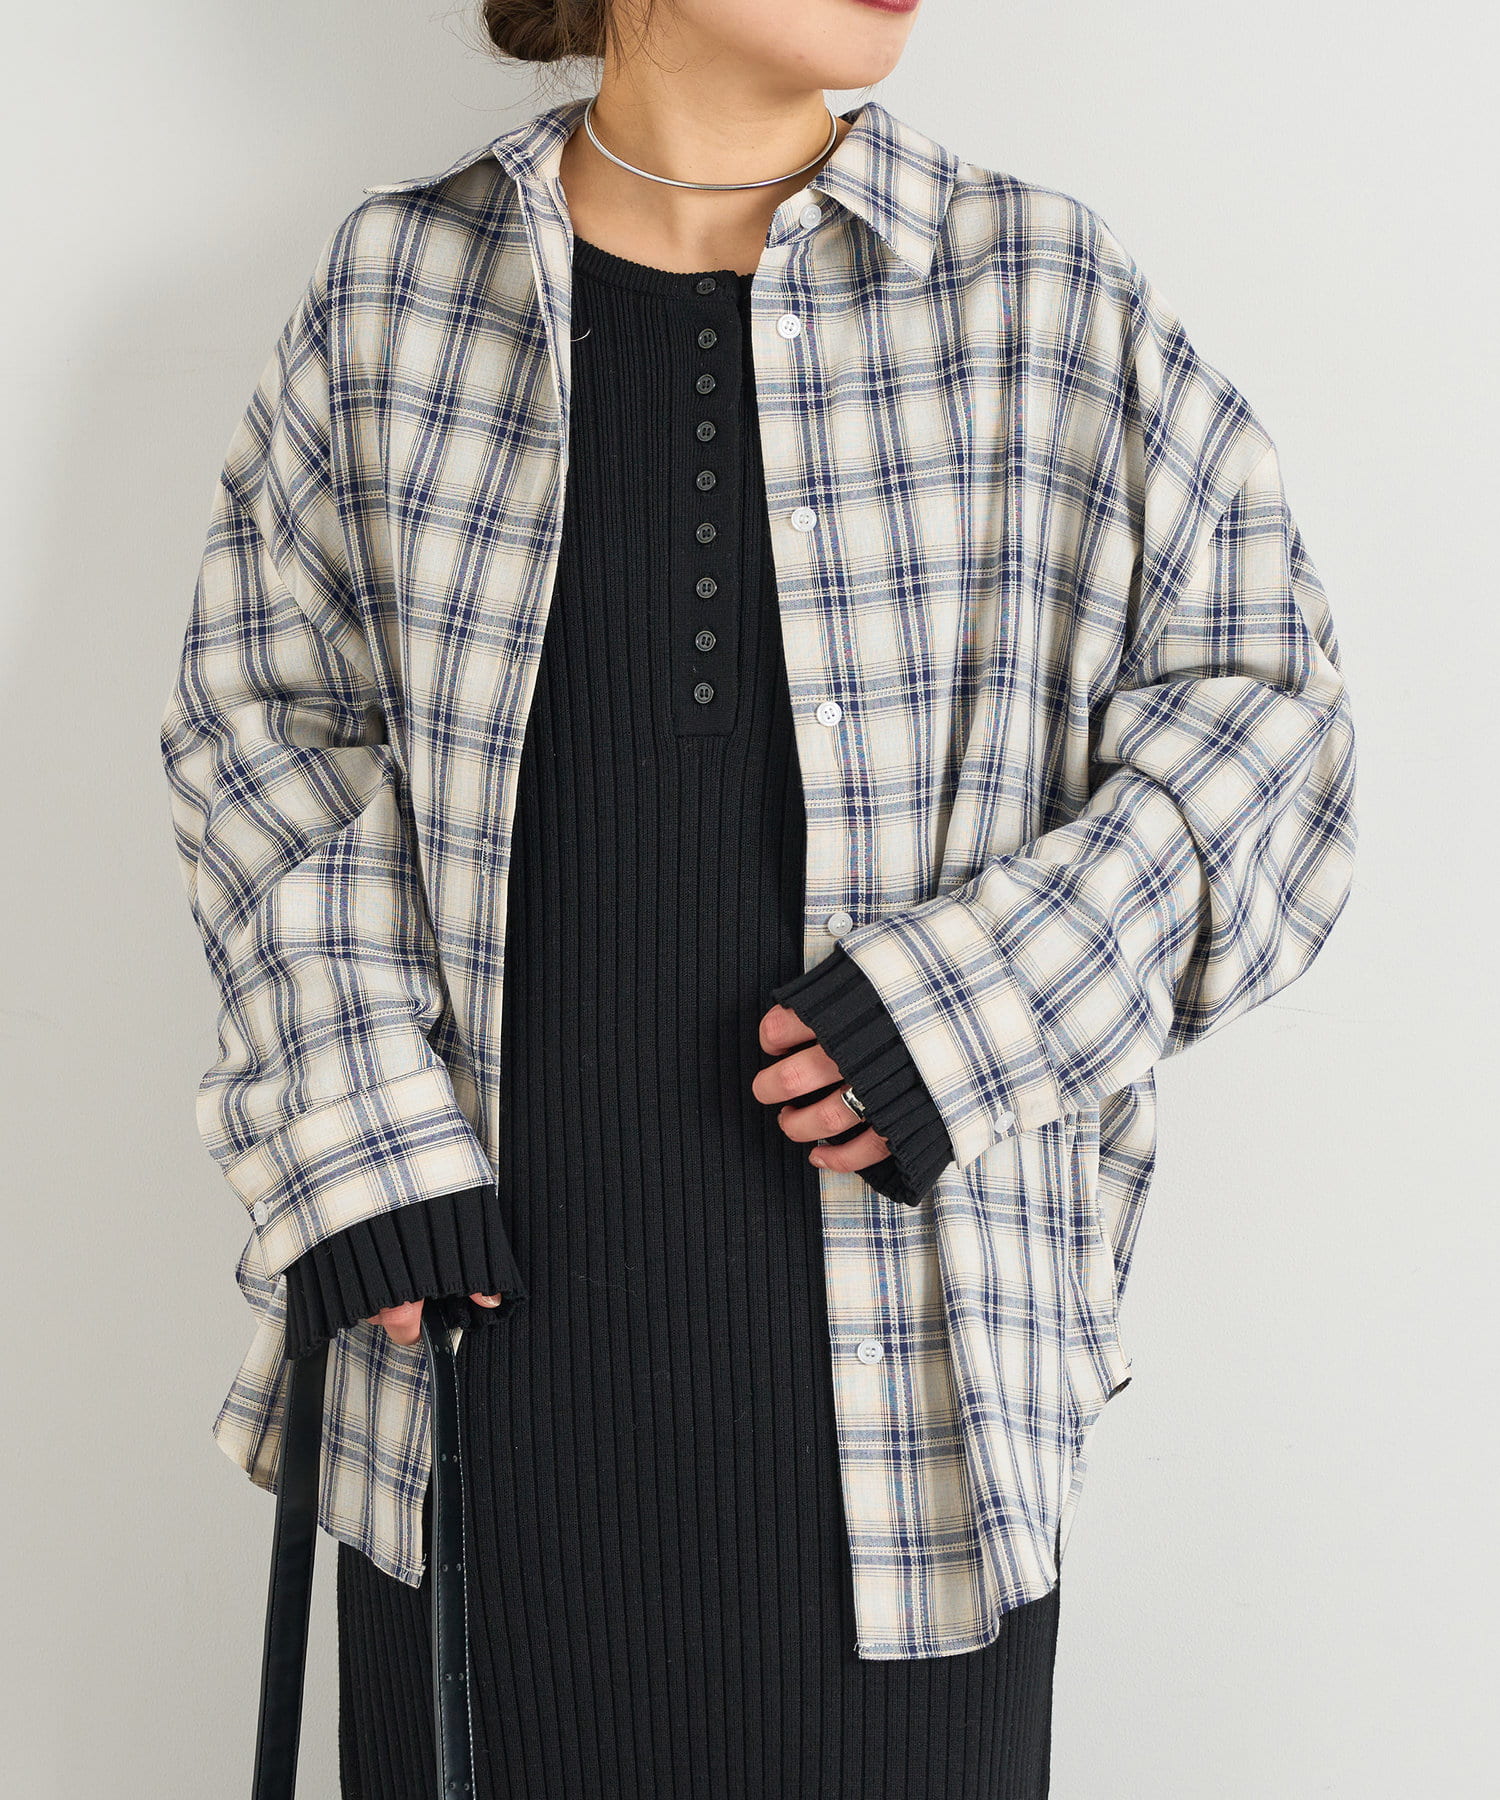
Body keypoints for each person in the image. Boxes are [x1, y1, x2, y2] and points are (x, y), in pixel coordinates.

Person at [158, 1, 1358, 1795]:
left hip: (909, 1438)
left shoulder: (1041, 293)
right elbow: (262, 729)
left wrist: (966, 1013)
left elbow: (1278, 735)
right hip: (475, 1401)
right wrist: (358, 1132)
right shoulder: (399, 293)